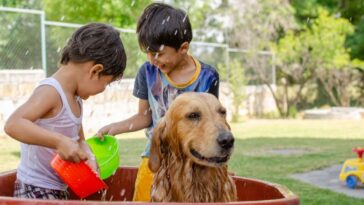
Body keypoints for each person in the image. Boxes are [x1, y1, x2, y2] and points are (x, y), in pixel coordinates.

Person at [96, 2, 219, 201]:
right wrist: (115, 127)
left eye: (159, 53)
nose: (152, 59)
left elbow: (212, 124)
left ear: (183, 48)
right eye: (148, 52)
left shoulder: (206, 77)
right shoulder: (148, 73)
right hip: (154, 157)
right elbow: (144, 118)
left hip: (193, 163)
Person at [4, 23, 127, 200]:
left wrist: (90, 157)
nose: (103, 90)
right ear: (95, 71)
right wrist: (59, 141)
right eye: (106, 84)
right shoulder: (52, 92)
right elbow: (13, 124)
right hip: (35, 189)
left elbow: (80, 140)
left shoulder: (76, 99)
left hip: (57, 188)